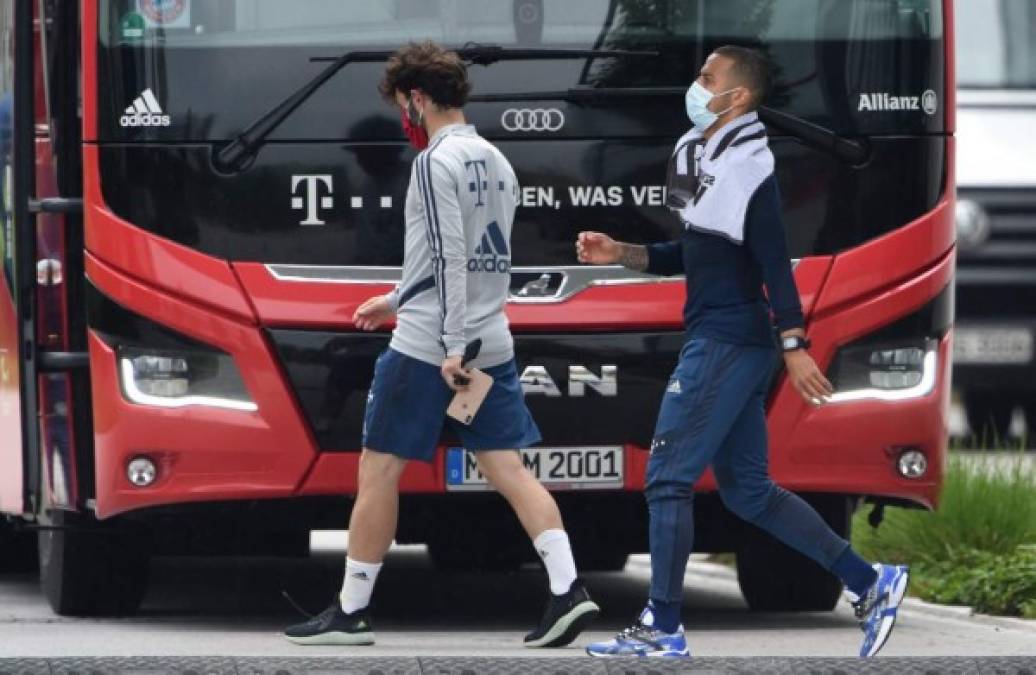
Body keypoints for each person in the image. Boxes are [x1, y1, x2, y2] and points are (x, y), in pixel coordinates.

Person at [579, 46, 908, 659]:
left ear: (738, 98)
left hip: (728, 342)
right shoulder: (710, 159)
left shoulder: (751, 170)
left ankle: (664, 625)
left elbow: (772, 265)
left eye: (708, 78)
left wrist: (795, 345)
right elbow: (695, 255)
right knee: (749, 492)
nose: (696, 85)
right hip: (727, 336)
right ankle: (871, 582)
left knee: (668, 479)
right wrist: (620, 252)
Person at [284, 41, 599, 648]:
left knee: (378, 468)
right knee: (508, 466)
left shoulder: (433, 162)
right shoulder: (495, 160)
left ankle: (350, 612)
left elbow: (452, 254)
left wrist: (447, 342)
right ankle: (568, 590)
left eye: (405, 103)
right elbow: (486, 257)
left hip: (432, 347)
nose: (406, 114)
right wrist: (398, 297)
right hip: (492, 340)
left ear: (417, 98)